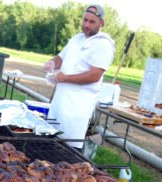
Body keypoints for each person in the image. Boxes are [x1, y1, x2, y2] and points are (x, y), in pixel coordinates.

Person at [44, 4, 115, 151]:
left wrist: (64, 78)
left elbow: (95, 75)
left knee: (68, 146)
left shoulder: (103, 44)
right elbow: (61, 57)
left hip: (78, 105)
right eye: (85, 20)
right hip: (60, 99)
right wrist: (52, 62)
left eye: (92, 22)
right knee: (51, 139)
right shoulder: (77, 38)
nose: (86, 25)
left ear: (101, 23)